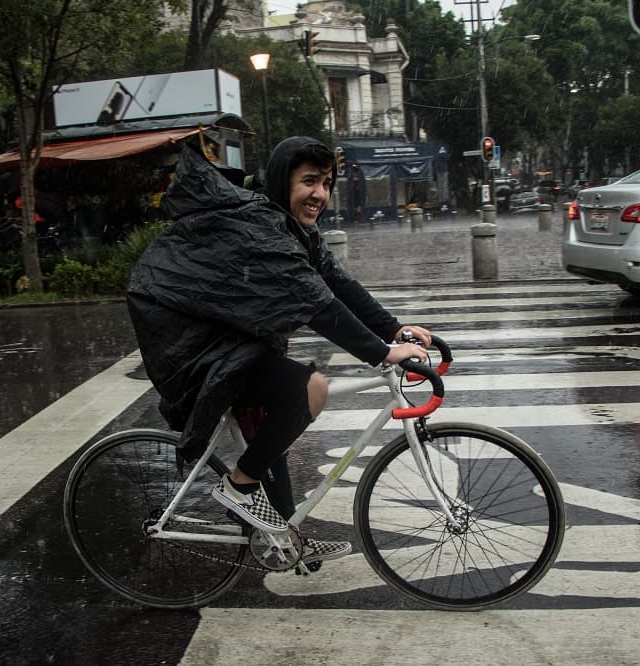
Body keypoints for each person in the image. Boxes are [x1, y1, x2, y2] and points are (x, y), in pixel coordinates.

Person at [126, 136, 432, 566]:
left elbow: (336, 283)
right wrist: (382, 353)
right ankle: (238, 486)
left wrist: (394, 329)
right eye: (309, 181)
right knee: (311, 389)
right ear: (280, 181)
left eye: (327, 183)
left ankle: (285, 539)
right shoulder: (260, 227)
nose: (320, 195)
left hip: (232, 344)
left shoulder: (293, 230)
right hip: (195, 353)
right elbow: (316, 304)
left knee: (274, 431)